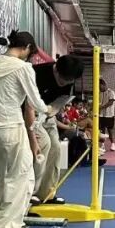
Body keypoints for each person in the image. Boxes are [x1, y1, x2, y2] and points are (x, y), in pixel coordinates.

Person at [0, 30, 49, 228]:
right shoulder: (23, 68)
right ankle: (7, 224)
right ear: (26, 48)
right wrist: (48, 110)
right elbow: (34, 100)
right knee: (21, 176)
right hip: (11, 126)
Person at [31, 54, 84, 205]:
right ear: (56, 70)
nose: (65, 83)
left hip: (49, 116)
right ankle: (30, 194)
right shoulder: (37, 73)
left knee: (56, 148)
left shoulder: (70, 79)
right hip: (31, 115)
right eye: (63, 79)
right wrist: (37, 115)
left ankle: (47, 194)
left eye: (69, 80)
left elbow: (60, 102)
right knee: (44, 145)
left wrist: (51, 111)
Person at [98, 78, 115, 153]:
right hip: (101, 115)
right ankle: (102, 145)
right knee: (101, 130)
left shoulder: (111, 92)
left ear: (103, 85)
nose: (99, 88)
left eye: (100, 86)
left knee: (110, 130)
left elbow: (111, 102)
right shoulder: (99, 93)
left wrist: (102, 107)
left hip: (109, 114)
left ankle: (113, 144)